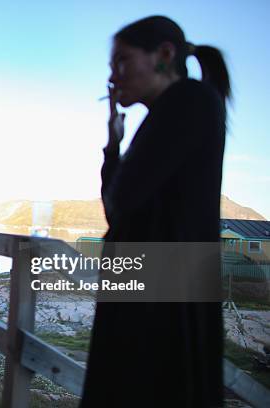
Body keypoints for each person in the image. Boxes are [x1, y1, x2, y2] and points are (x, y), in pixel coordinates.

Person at [81, 16, 230, 407]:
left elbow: (120, 201)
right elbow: (119, 209)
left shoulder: (189, 101)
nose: (113, 77)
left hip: (164, 300)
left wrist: (117, 154)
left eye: (123, 61)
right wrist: (114, 143)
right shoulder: (171, 113)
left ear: (164, 54)